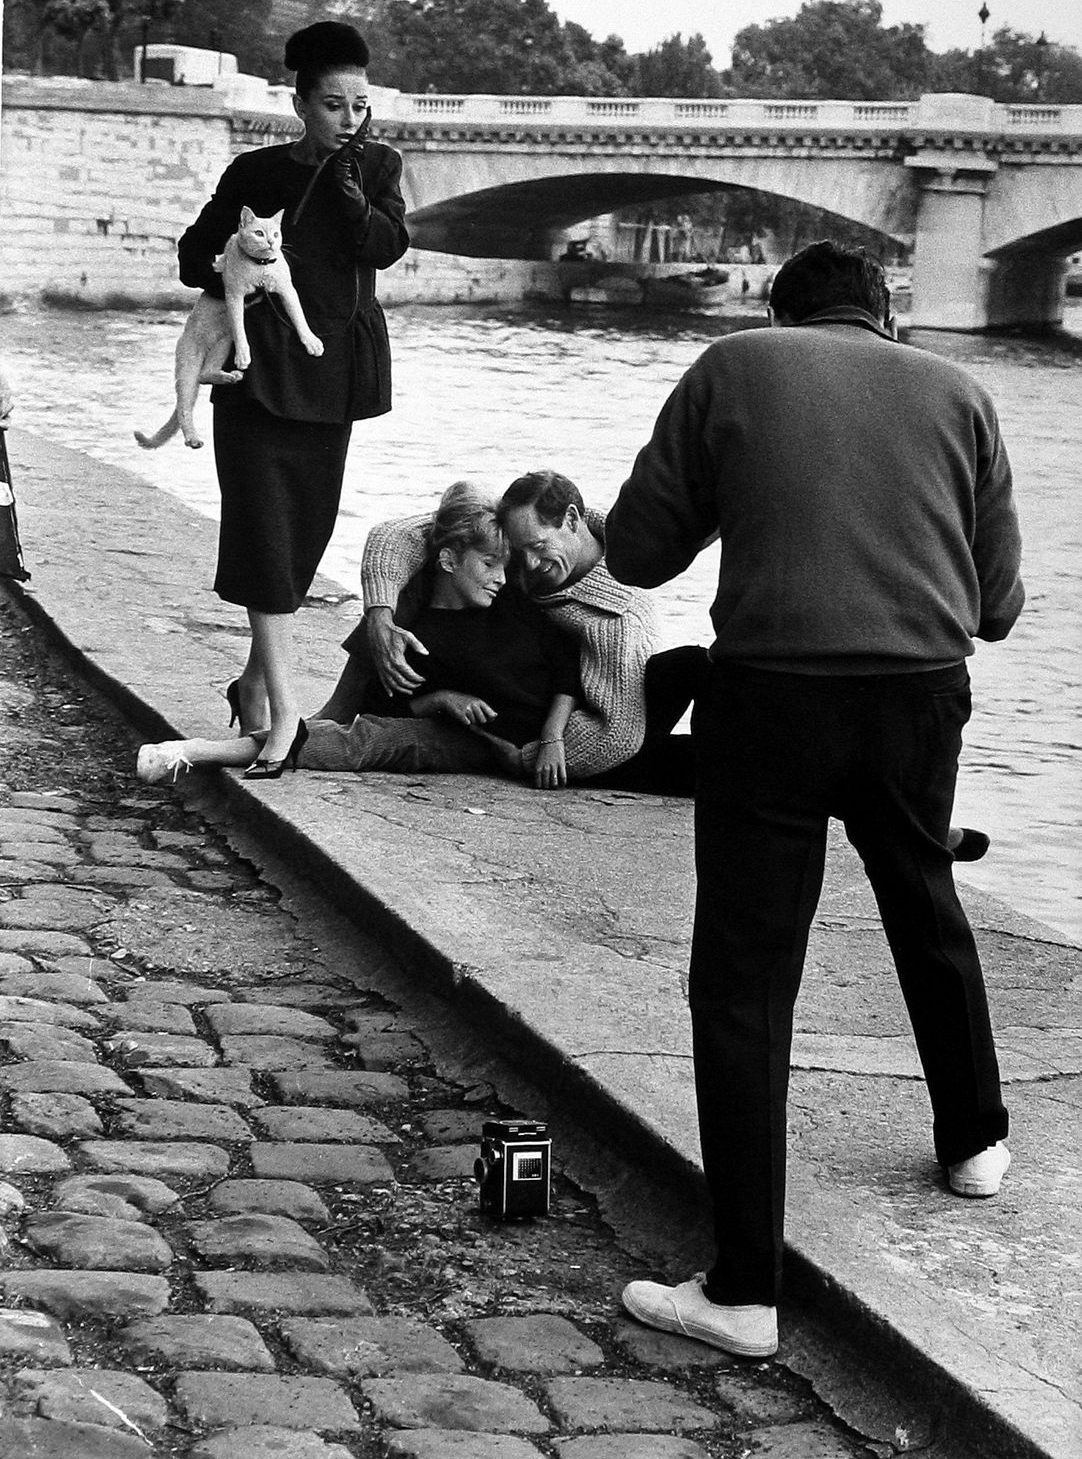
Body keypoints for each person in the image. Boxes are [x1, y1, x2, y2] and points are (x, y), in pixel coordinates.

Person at [604, 241, 1024, 1358]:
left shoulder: (731, 366)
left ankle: (741, 1291)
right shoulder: (961, 392)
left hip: (771, 698)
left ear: (783, 313)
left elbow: (635, 553)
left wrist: (737, 497)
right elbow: (997, 608)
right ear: (882, 317)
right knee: (921, 898)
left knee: (743, 977)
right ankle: (972, 1140)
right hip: (916, 698)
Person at [176, 20, 408, 778]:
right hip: (256, 375)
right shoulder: (255, 173)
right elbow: (192, 259)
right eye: (336, 105)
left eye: (361, 105)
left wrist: (349, 201)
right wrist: (240, 266)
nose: (352, 119)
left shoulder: (379, 165)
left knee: (302, 539)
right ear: (302, 104)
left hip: (331, 368)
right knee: (263, 538)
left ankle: (247, 685)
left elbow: (384, 248)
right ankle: (281, 716)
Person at [136, 484, 580, 789]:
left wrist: (553, 736)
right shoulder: (420, 631)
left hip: (537, 738)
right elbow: (384, 706)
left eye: (503, 565)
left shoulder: (512, 602)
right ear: (448, 559)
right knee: (370, 742)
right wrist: (440, 700)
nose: (502, 577)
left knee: (360, 729)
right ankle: (197, 752)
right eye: (488, 564)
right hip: (468, 738)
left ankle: (273, 730)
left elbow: (567, 664)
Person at [318, 469, 712, 792]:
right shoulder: (531, 536)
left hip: (596, 730)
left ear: (572, 521)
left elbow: (615, 736)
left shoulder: (620, 609)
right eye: (518, 551)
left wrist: (531, 752)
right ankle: (343, 703)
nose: (526, 566)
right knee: (415, 581)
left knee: (700, 677)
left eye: (538, 548)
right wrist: (381, 614)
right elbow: (404, 535)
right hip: (543, 704)